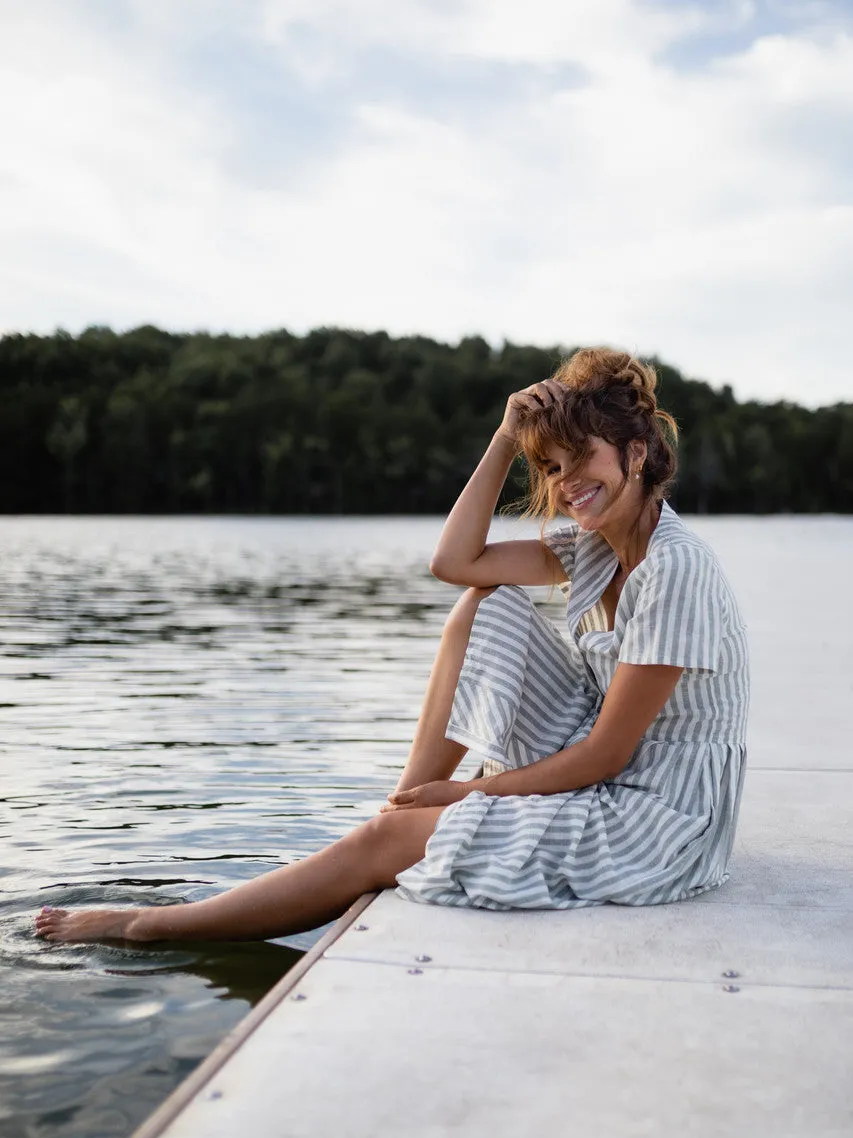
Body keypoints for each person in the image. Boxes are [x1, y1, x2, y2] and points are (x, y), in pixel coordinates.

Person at [35, 348, 749, 945]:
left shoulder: (672, 566)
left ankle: (148, 928)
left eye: (580, 461)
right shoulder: (594, 547)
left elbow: (606, 756)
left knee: (382, 845)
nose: (566, 485)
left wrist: (470, 791)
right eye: (552, 469)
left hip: (659, 815)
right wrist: (503, 439)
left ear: (635, 452)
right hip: (609, 773)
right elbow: (455, 563)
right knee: (484, 602)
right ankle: (404, 806)